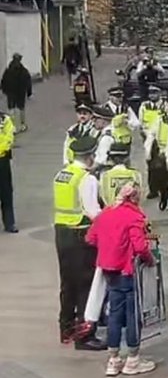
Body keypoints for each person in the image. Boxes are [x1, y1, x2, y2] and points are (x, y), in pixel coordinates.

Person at [85, 183, 157, 377]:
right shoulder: (134, 217)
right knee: (133, 315)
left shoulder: (105, 214)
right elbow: (140, 246)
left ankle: (113, 359)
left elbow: (90, 239)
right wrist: (150, 261)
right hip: (127, 270)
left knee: (114, 314)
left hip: (109, 271)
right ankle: (133, 359)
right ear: (134, 198)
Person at [53, 134, 105, 349]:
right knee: (85, 283)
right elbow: (93, 211)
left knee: (67, 282)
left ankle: (66, 327)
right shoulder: (87, 178)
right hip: (80, 234)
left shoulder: (62, 174)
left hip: (61, 232)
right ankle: (84, 335)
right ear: (91, 156)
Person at [145, 93, 168, 211]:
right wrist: (148, 151)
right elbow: (151, 134)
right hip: (163, 151)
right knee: (162, 177)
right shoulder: (160, 119)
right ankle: (164, 196)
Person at [138, 85, 164, 199]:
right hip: (148, 138)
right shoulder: (144, 106)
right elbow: (141, 122)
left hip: (161, 138)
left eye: (155, 93)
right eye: (151, 93)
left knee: (162, 165)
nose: (152, 95)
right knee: (151, 165)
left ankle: (164, 188)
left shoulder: (164, 105)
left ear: (160, 93)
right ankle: (153, 190)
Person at [100, 142, 142, 207]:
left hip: (112, 213)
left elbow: (104, 197)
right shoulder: (135, 174)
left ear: (111, 159)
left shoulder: (105, 176)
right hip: (131, 212)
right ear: (127, 158)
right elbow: (139, 197)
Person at [1, 52, 32, 132]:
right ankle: (22, 125)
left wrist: (4, 90)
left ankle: (13, 126)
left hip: (10, 92)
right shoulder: (23, 70)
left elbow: (3, 81)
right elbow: (28, 82)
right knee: (21, 108)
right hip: (20, 92)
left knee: (11, 108)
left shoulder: (8, 70)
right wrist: (29, 92)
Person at [0, 107, 16, 232]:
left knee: (6, 192)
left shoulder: (4, 120)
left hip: (2, 160)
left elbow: (9, 138)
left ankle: (10, 223)